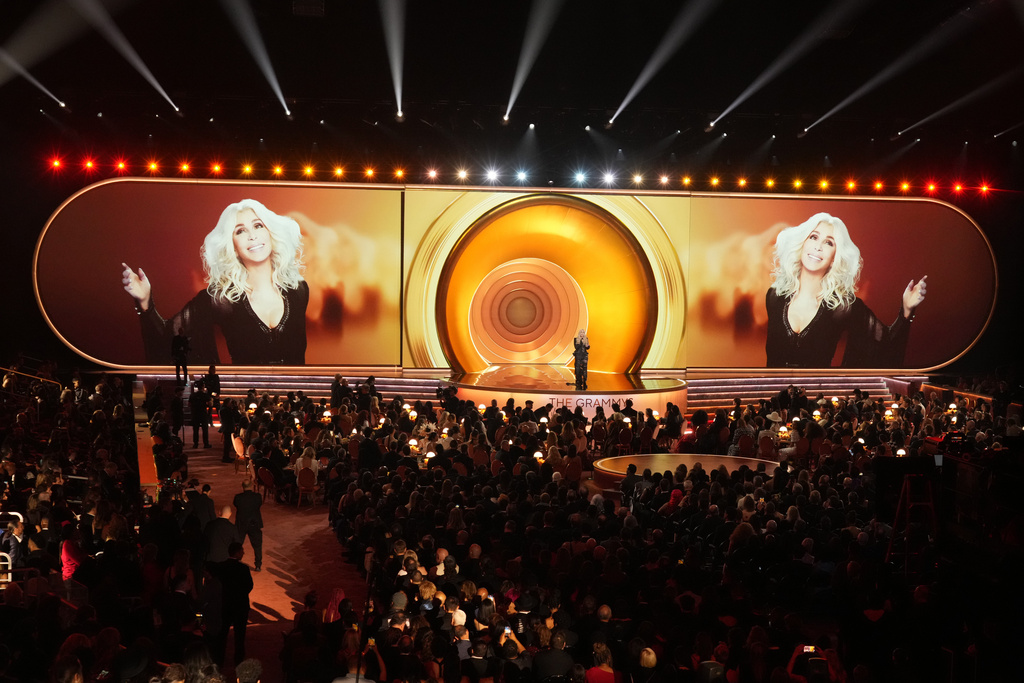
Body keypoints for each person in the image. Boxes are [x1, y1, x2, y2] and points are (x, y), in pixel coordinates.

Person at [122, 198, 308, 366]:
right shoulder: (221, 299)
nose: (252, 235)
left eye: (258, 225)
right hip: (244, 400)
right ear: (233, 247)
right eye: (241, 231)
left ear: (270, 233)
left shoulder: (299, 290)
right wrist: (145, 302)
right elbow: (168, 340)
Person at [765, 212, 926, 368]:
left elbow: (886, 345)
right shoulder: (774, 297)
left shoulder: (843, 307)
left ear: (835, 256)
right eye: (813, 237)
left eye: (829, 243)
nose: (818, 247)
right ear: (802, 243)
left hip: (817, 393)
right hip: (772, 393)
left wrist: (906, 311)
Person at [234, 480, 264, 572]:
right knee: (257, 546)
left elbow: (236, 505)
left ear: (243, 486)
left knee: (237, 544)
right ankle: (258, 565)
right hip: (254, 524)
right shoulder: (257, 497)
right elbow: (259, 504)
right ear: (251, 486)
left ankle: (235, 563)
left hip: (241, 524)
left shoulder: (238, 498)